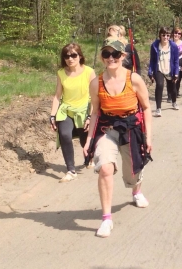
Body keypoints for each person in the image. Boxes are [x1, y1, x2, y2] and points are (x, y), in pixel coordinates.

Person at [82, 39, 153, 238]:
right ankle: (106, 218)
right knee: (105, 168)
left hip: (131, 128)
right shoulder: (96, 83)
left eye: (115, 54)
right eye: (106, 54)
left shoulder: (134, 79)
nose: (111, 58)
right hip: (108, 128)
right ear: (102, 57)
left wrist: (148, 137)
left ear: (123, 56)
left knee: (133, 170)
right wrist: (89, 140)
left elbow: (146, 108)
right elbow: (95, 113)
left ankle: (136, 191)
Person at [49, 43, 96, 182]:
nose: (70, 59)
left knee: (84, 138)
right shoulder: (61, 73)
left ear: (80, 56)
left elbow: (94, 97)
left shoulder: (89, 72)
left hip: (84, 110)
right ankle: (71, 170)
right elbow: (57, 95)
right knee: (64, 135)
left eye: (73, 55)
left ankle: (89, 158)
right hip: (66, 110)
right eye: (66, 56)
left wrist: (90, 116)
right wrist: (52, 115)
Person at [148, 27, 180, 115]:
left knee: (172, 88)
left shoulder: (173, 46)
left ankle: (174, 102)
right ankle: (158, 108)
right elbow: (152, 60)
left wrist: (176, 73)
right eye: (163, 35)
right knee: (159, 85)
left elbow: (176, 61)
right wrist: (150, 72)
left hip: (170, 70)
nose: (165, 37)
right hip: (159, 69)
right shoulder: (154, 46)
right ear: (160, 35)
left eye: (168, 35)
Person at [173, 28, 182, 98]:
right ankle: (171, 93)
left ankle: (176, 91)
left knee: (178, 78)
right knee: (171, 78)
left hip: (180, 62)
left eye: (179, 33)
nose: (177, 35)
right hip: (171, 63)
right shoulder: (169, 43)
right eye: (175, 33)